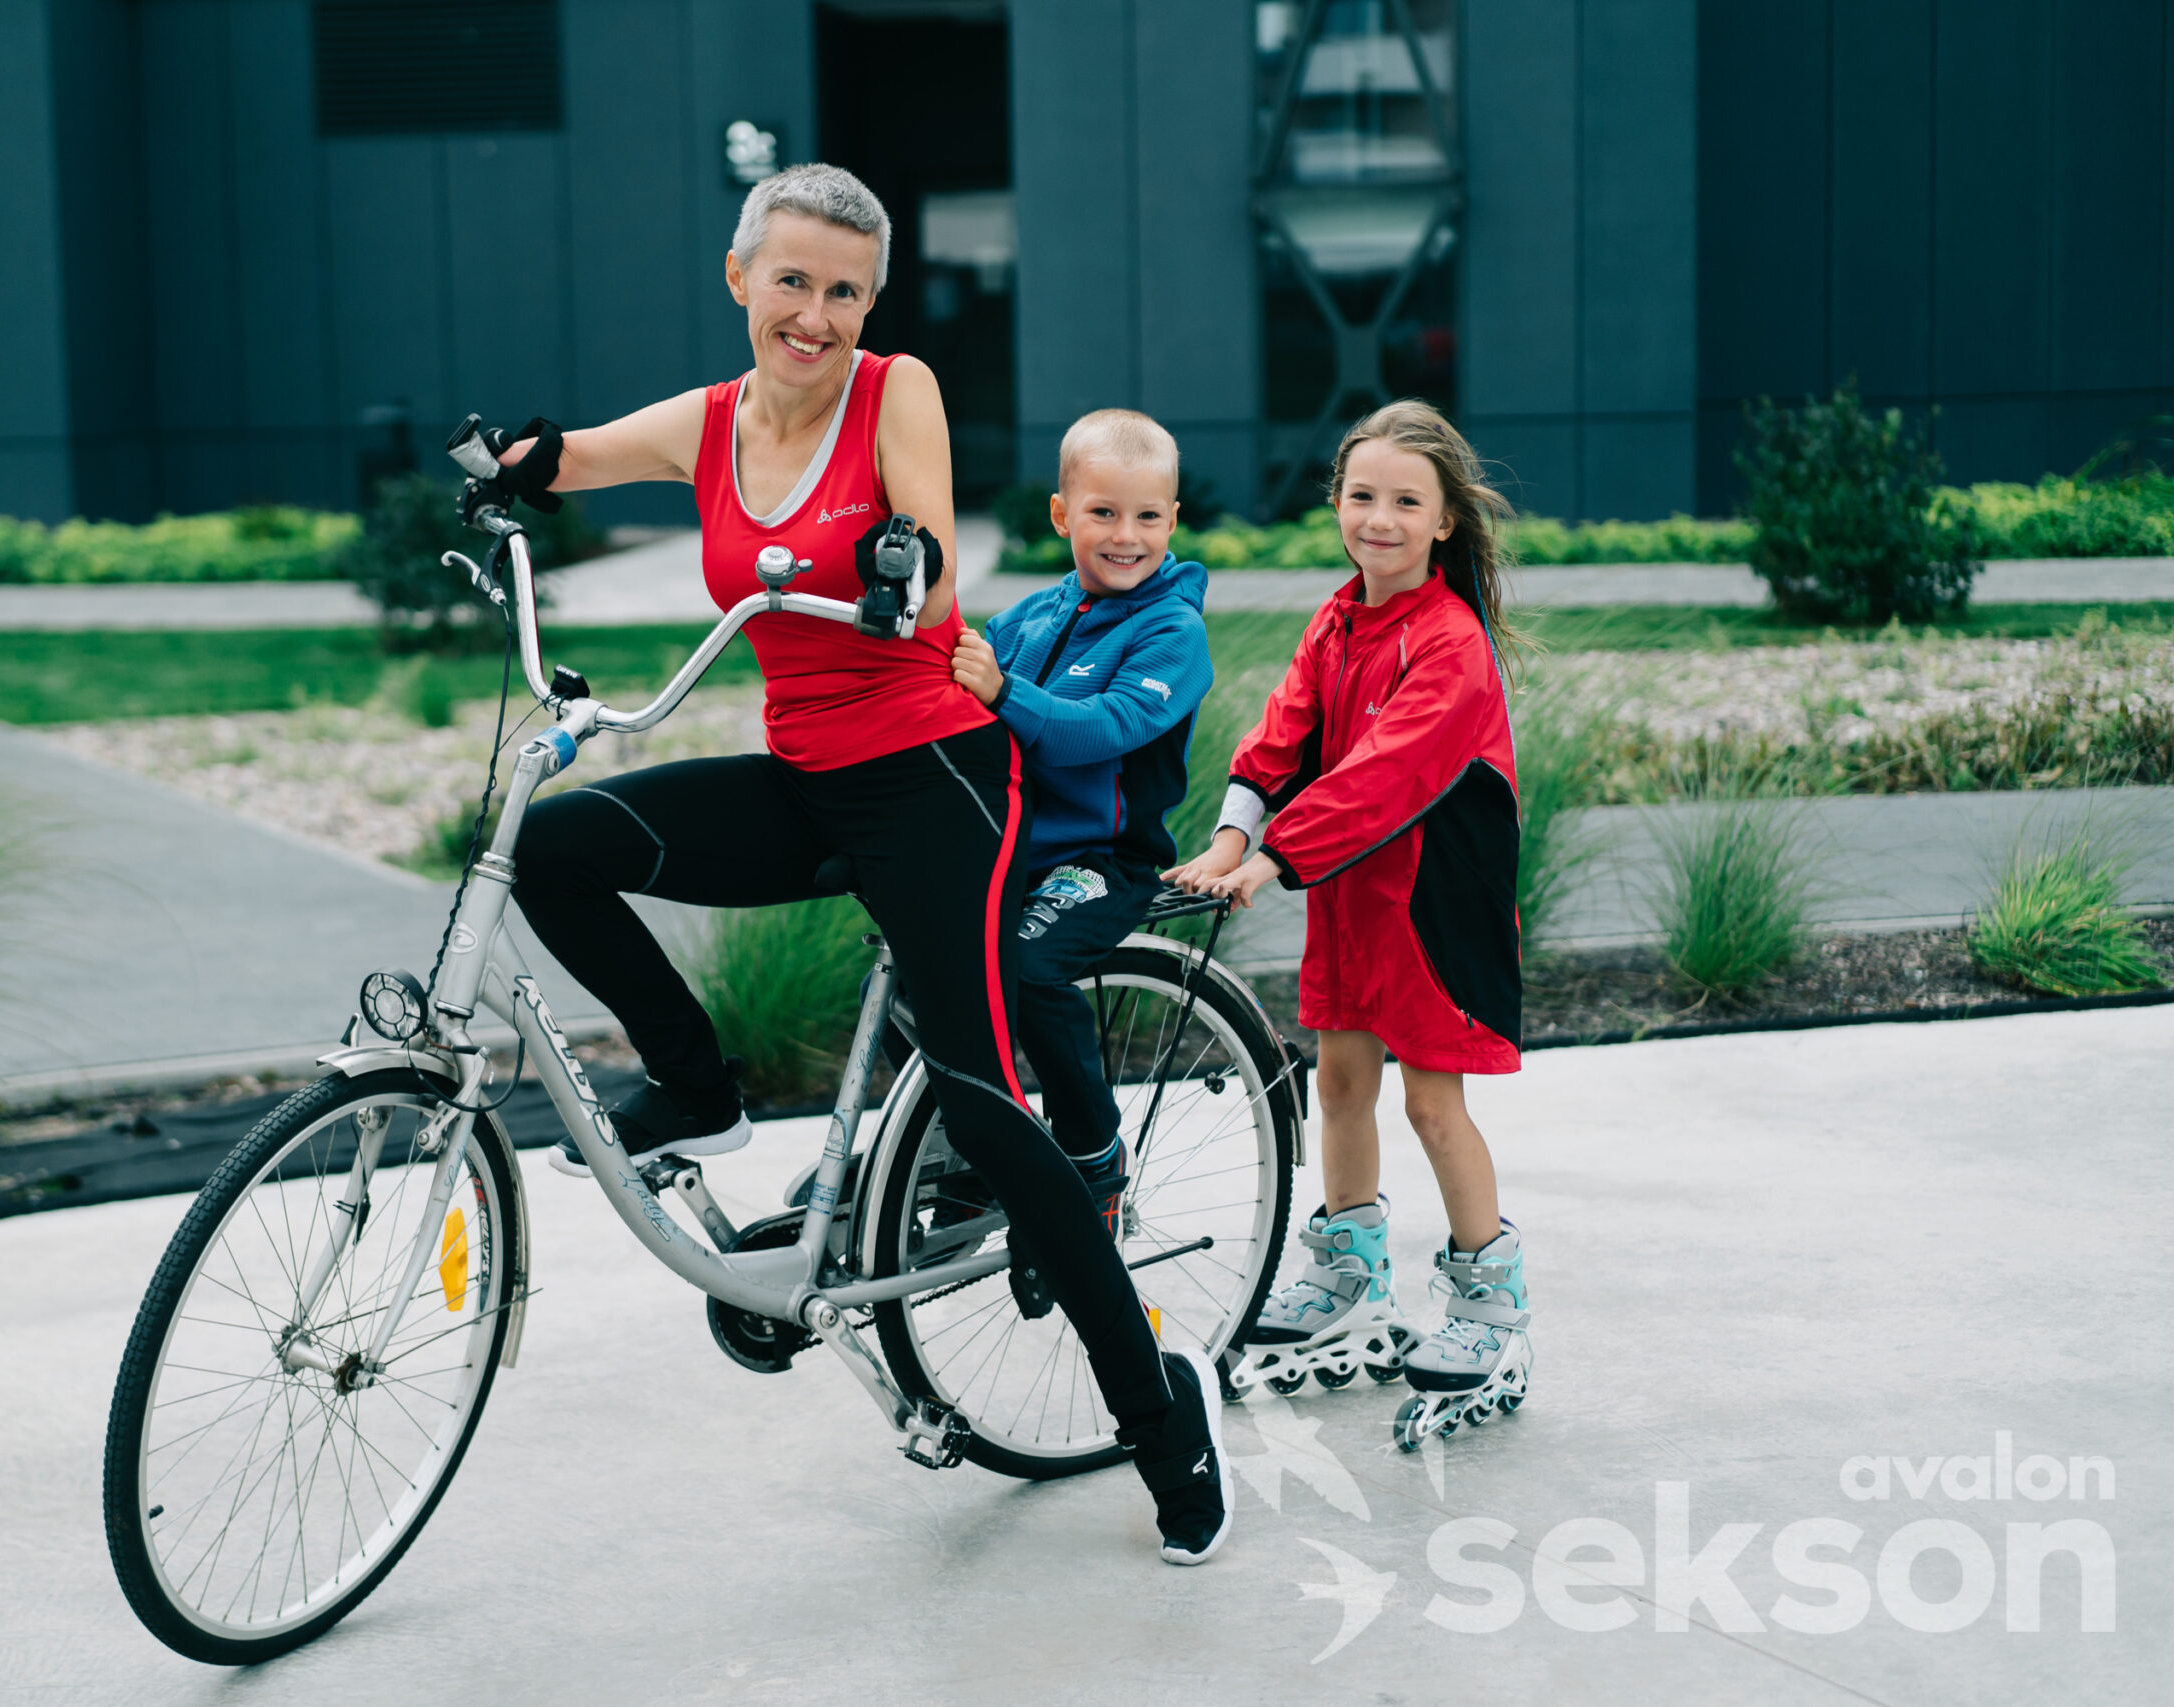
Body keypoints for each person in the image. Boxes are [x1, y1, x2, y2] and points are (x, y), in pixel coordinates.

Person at [490, 165, 1230, 1561]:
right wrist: (513, 465)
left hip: (936, 773)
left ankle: (1160, 1422)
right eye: (792, 281)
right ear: (740, 280)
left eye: (842, 289)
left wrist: (905, 563)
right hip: (810, 773)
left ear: (867, 302)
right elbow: (576, 453)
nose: (815, 313)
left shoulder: (895, 390)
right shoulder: (709, 423)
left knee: (983, 1096)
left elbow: (937, 546)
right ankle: (699, 1088)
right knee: (557, 842)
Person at [1165, 398, 1533, 1439]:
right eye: (1361, 495)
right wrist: (1233, 840)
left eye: (1404, 501)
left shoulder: (1451, 644)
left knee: (1430, 1105)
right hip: (1350, 897)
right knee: (1336, 1081)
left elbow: (1385, 776)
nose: (1379, 517)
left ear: (1444, 521)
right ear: (1336, 502)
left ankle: (1489, 1304)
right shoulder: (1334, 619)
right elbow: (1280, 734)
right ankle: (1349, 1278)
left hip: (1430, 907)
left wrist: (1276, 859)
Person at [947, 409, 1210, 1309]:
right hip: (1010, 847)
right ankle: (977, 1147)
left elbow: (1100, 732)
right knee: (923, 963)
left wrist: (1000, 689)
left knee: (1027, 966)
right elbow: (954, 669)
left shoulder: (1171, 631)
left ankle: (1092, 1156)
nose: (1125, 537)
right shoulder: (1034, 612)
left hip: (1102, 859)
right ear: (1062, 514)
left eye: (1146, 517)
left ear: (1172, 521)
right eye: (1103, 514)